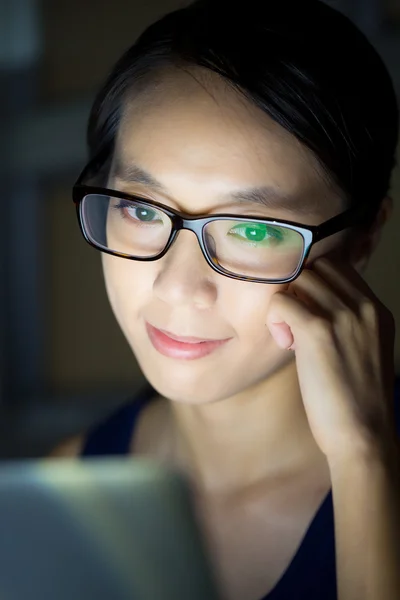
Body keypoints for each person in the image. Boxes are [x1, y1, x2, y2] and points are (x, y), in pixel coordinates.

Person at [51, 0, 400, 598]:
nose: (178, 285)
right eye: (140, 208)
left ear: (363, 237)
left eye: (254, 229)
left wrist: (364, 463)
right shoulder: (64, 498)